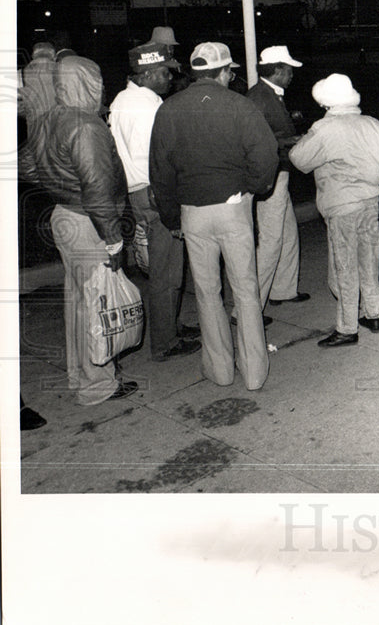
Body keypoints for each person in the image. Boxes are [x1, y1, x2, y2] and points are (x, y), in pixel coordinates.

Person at [149, 43, 278, 390]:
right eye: (230, 72)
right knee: (246, 290)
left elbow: (160, 172)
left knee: (207, 293)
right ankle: (254, 373)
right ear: (223, 73)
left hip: (193, 213)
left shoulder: (169, 110)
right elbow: (267, 157)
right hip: (233, 208)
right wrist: (252, 188)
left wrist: (172, 217)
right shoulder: (240, 105)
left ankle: (220, 370)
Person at [29, 56, 138, 404]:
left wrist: (60, 187)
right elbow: (97, 189)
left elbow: (31, 168)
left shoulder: (49, 119)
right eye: (98, 80)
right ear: (87, 83)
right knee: (99, 303)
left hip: (63, 215)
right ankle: (99, 385)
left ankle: (81, 375)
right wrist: (113, 240)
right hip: (88, 220)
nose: (103, 87)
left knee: (78, 302)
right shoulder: (86, 126)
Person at [108, 42, 202, 363]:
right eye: (164, 72)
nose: (170, 78)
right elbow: (160, 158)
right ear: (148, 73)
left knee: (160, 267)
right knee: (167, 270)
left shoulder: (123, 99)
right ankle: (165, 342)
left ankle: (171, 326)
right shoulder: (148, 108)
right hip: (154, 191)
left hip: (137, 191)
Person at [290, 74, 379, 348]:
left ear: (326, 103)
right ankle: (372, 313)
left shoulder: (324, 128)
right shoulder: (373, 124)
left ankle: (347, 327)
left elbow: (299, 160)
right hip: (371, 201)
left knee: (345, 266)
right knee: (369, 259)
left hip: (341, 204)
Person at [245, 46, 310, 310]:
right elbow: (254, 141)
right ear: (277, 70)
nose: (292, 74)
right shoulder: (259, 97)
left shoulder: (269, 94)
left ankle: (283, 289)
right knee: (271, 240)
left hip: (280, 174)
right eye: (289, 69)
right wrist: (290, 139)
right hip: (271, 176)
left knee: (288, 234)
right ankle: (250, 307)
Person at [17, 42, 58, 182]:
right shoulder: (61, 71)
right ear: (53, 55)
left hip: (34, 131)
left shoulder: (20, 74)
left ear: (33, 55)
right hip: (59, 129)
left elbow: (17, 106)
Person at [150, 25, 190, 93]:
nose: (169, 50)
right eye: (165, 46)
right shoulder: (148, 65)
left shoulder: (175, 63)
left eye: (171, 47)